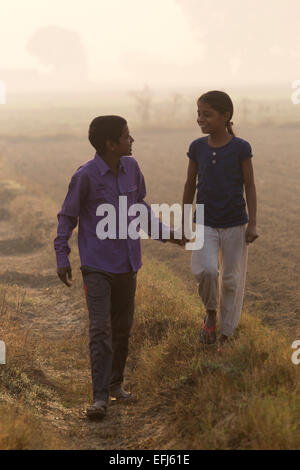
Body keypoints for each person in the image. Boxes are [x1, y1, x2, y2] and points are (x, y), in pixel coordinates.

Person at [54, 115, 183, 420]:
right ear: (111, 144)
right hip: (97, 266)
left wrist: (168, 234)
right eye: (127, 136)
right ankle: (99, 399)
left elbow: (142, 210)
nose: (132, 140)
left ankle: (115, 386)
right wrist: (62, 256)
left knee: (122, 329)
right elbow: (67, 217)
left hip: (128, 263)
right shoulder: (85, 176)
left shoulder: (133, 169)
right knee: (101, 329)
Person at [182, 90, 259, 351]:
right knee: (206, 270)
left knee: (231, 280)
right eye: (199, 114)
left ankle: (225, 335)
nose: (200, 119)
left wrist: (253, 223)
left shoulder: (241, 148)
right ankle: (211, 313)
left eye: (207, 114)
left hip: (235, 223)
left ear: (225, 116)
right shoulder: (197, 147)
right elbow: (190, 184)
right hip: (204, 221)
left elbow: (249, 186)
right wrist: (184, 220)